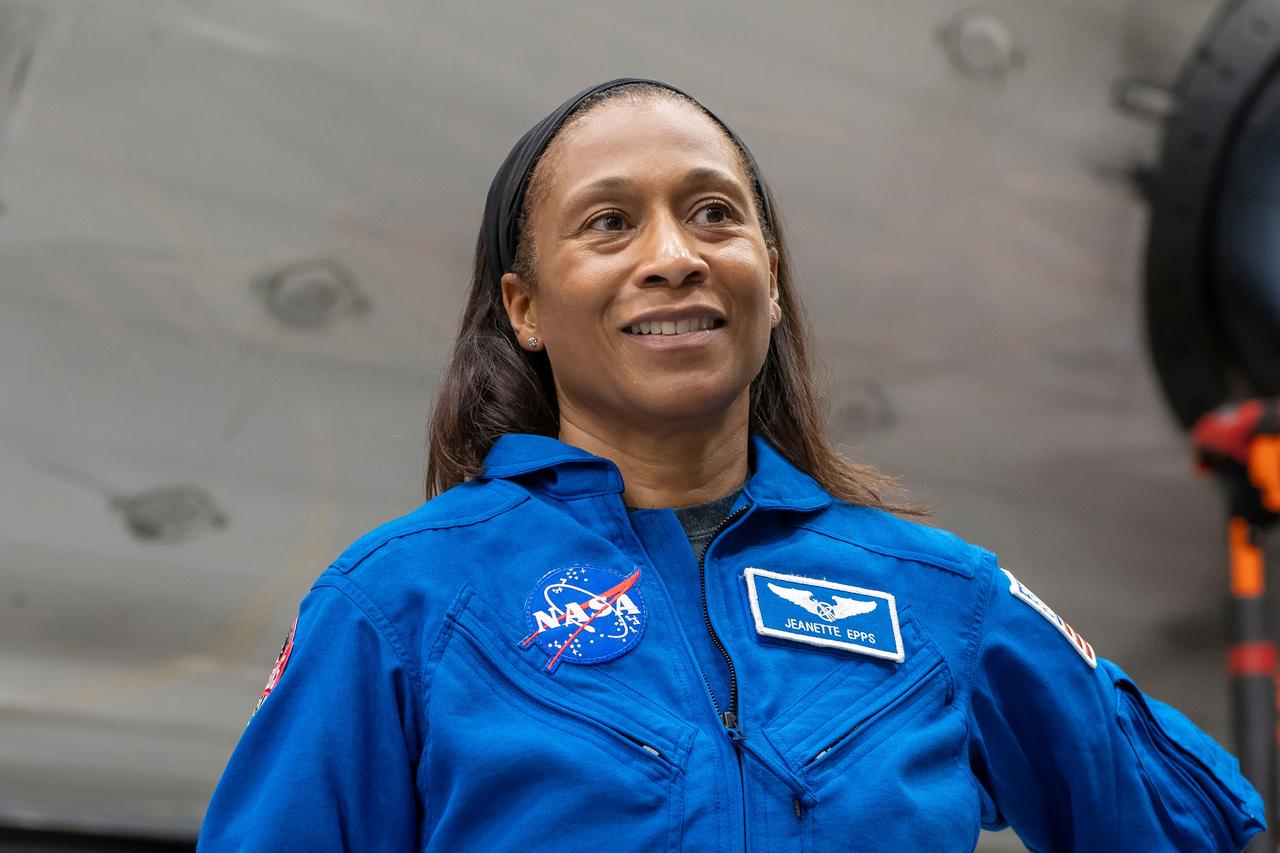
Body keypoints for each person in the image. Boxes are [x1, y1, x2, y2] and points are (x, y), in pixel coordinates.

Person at [197, 78, 1265, 852]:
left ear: (770, 275)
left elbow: (1195, 825)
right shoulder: (396, 604)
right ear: (523, 308)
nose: (674, 256)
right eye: (609, 224)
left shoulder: (941, 597)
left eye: (714, 214)